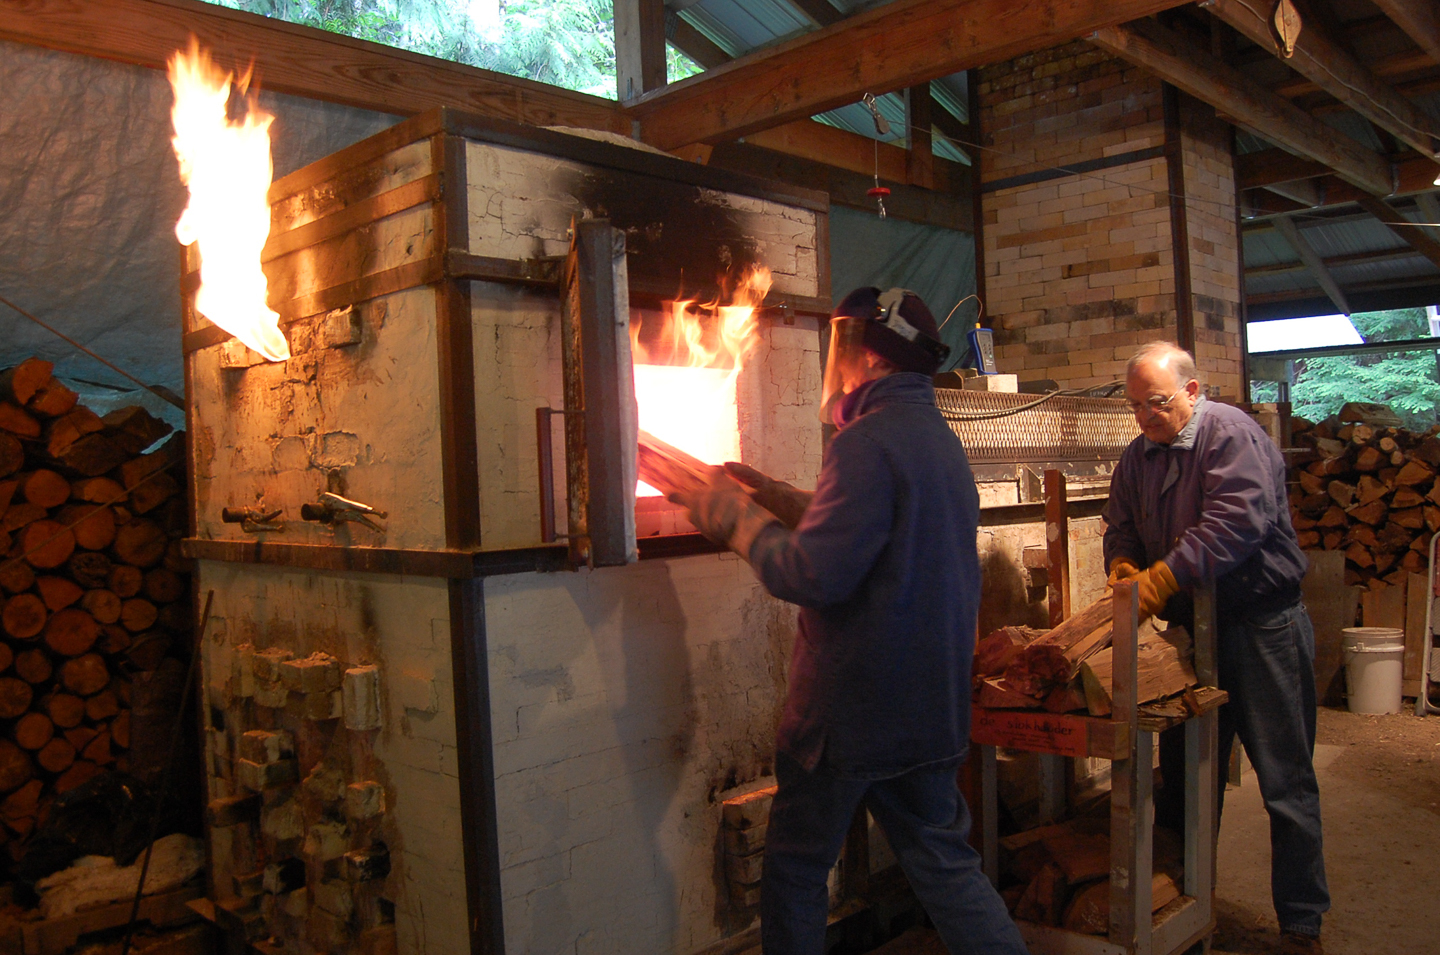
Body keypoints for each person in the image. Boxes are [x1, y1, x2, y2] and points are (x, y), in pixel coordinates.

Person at [671, 287, 1027, 955]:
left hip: (852, 718)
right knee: (947, 867)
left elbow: (811, 573)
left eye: (844, 344)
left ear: (873, 356)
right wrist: (776, 496)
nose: (835, 361)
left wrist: (729, 514)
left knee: (799, 869)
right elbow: (878, 532)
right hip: (930, 710)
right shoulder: (938, 442)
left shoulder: (864, 443)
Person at [1103, 341, 1329, 954]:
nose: (1146, 417)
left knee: (1285, 780)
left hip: (1261, 627)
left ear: (1194, 391)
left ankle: (1301, 925)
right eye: (1136, 407)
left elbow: (1235, 523)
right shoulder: (1139, 455)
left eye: (1157, 403)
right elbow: (1119, 519)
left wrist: (1167, 575)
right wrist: (1124, 561)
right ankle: (1185, 909)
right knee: (1185, 779)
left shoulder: (1231, 436)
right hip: (1191, 639)